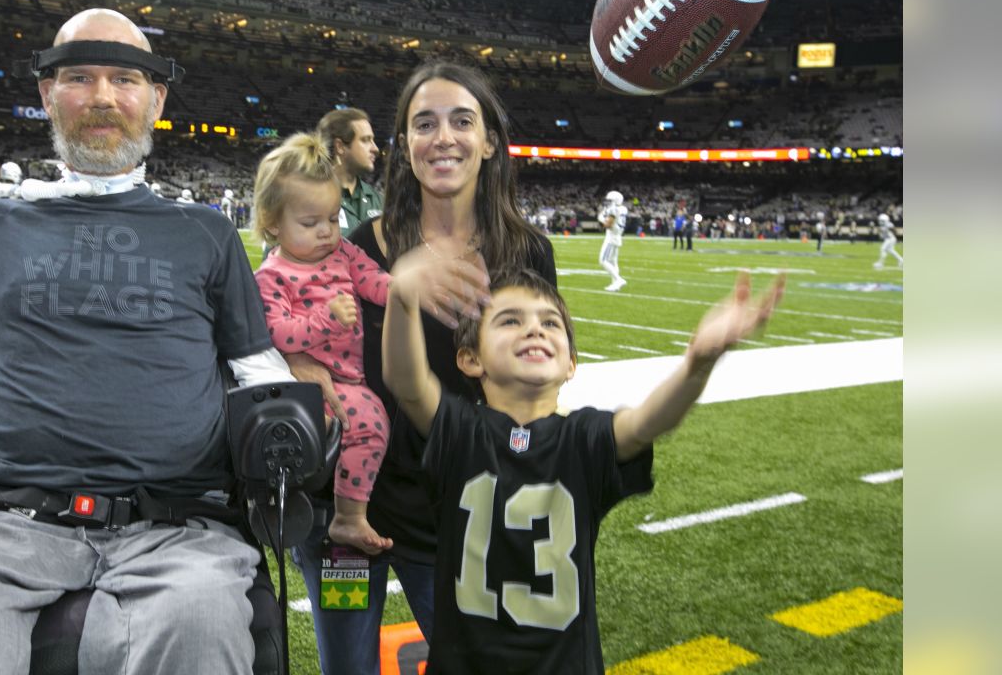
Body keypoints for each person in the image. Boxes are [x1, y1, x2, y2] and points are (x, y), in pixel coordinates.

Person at [0, 8, 294, 675]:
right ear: (48, 94)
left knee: (201, 628)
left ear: (155, 100)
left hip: (179, 527)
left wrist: (302, 417)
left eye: (125, 79)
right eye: (80, 77)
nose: (103, 97)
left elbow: (257, 368)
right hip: (2, 524)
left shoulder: (206, 233)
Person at [383, 267, 784, 673]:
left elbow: (646, 422)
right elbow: (407, 380)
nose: (534, 330)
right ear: (470, 359)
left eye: (550, 323)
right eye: (510, 320)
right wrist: (401, 297)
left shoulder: (582, 439)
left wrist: (697, 366)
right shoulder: (459, 432)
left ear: (571, 364)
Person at [287, 61, 549, 675]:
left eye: (463, 121)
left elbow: (532, 397)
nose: (445, 138)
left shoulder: (527, 252)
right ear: (405, 146)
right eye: (423, 123)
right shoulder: (361, 245)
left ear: (489, 141)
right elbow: (297, 328)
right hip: (348, 513)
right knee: (348, 667)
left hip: (458, 513)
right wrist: (301, 359)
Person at [253, 133, 394, 554]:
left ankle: (342, 512)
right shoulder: (272, 274)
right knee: (365, 425)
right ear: (274, 222)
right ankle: (346, 518)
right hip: (311, 385)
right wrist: (324, 319)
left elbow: (373, 280)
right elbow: (278, 332)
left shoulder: (344, 253)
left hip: (351, 378)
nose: (327, 232)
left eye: (332, 219)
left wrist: (404, 290)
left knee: (367, 426)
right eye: (311, 223)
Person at [317, 107, 381, 234]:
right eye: (365, 140)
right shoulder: (306, 200)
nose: (375, 148)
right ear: (340, 146)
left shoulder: (379, 201)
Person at [598, 191, 628, 291]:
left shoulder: (613, 209)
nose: (608, 202)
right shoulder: (623, 208)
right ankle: (615, 284)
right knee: (613, 262)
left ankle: (618, 280)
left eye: (610, 200)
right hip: (617, 236)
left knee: (603, 260)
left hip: (611, 237)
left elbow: (608, 225)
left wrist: (601, 219)